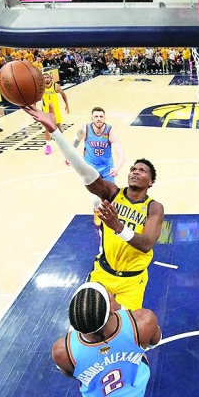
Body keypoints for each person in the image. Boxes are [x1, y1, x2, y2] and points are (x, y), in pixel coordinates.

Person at [24, 106, 162, 310]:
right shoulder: (112, 193)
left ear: (150, 182)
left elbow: (146, 244)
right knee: (87, 321)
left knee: (130, 332)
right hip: (103, 273)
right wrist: (55, 132)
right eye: (133, 168)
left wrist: (117, 226)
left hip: (133, 280)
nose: (135, 171)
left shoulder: (154, 208)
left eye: (142, 170)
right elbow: (82, 169)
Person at [40, 72, 70, 155]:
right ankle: (48, 146)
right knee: (47, 128)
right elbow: (35, 98)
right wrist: (34, 108)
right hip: (45, 110)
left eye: (47, 77)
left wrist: (66, 104)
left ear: (50, 78)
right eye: (44, 78)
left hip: (55, 109)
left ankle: (63, 144)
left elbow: (63, 94)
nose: (46, 79)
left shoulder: (55, 86)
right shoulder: (40, 87)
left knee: (58, 128)